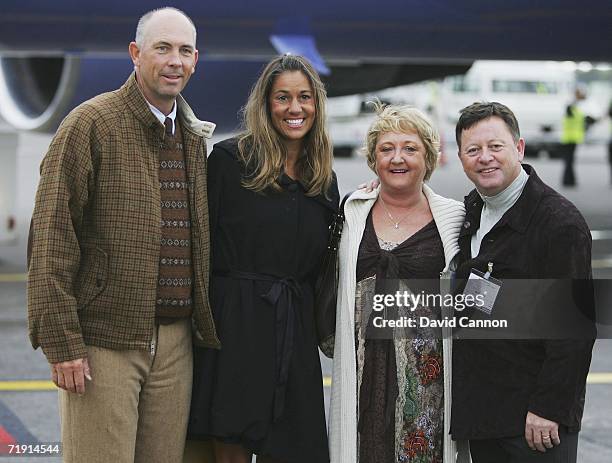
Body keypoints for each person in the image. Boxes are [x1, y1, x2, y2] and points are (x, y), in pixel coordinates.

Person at [26, 8, 218, 462]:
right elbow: (51, 237)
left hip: (175, 346)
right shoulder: (91, 124)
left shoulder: (191, 137)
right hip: (104, 343)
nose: (175, 61)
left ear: (196, 61)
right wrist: (62, 343)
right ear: (135, 54)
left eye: (185, 51)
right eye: (162, 48)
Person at [187, 54, 339, 463]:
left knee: (295, 445)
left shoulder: (322, 178)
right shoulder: (230, 161)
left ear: (317, 105)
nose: (295, 108)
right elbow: (198, 245)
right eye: (283, 98)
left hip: (294, 330)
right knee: (230, 443)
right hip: (234, 326)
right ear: (266, 104)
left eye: (305, 97)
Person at [451, 102, 594, 462]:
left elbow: (574, 331)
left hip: (534, 424)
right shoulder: (472, 211)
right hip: (484, 415)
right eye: (473, 150)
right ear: (460, 157)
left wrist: (549, 409)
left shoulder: (559, 224)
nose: (485, 158)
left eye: (495, 146)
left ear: (519, 148)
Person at [329, 104, 466, 463]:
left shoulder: (454, 218)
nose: (397, 158)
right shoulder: (352, 212)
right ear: (373, 159)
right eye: (386, 149)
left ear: (429, 156)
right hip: (363, 371)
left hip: (426, 379)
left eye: (409, 148)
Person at [560, 87, 587, 186]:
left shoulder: (575, 109)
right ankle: (567, 180)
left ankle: (570, 180)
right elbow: (572, 103)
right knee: (568, 161)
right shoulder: (570, 108)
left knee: (570, 160)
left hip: (573, 138)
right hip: (568, 139)